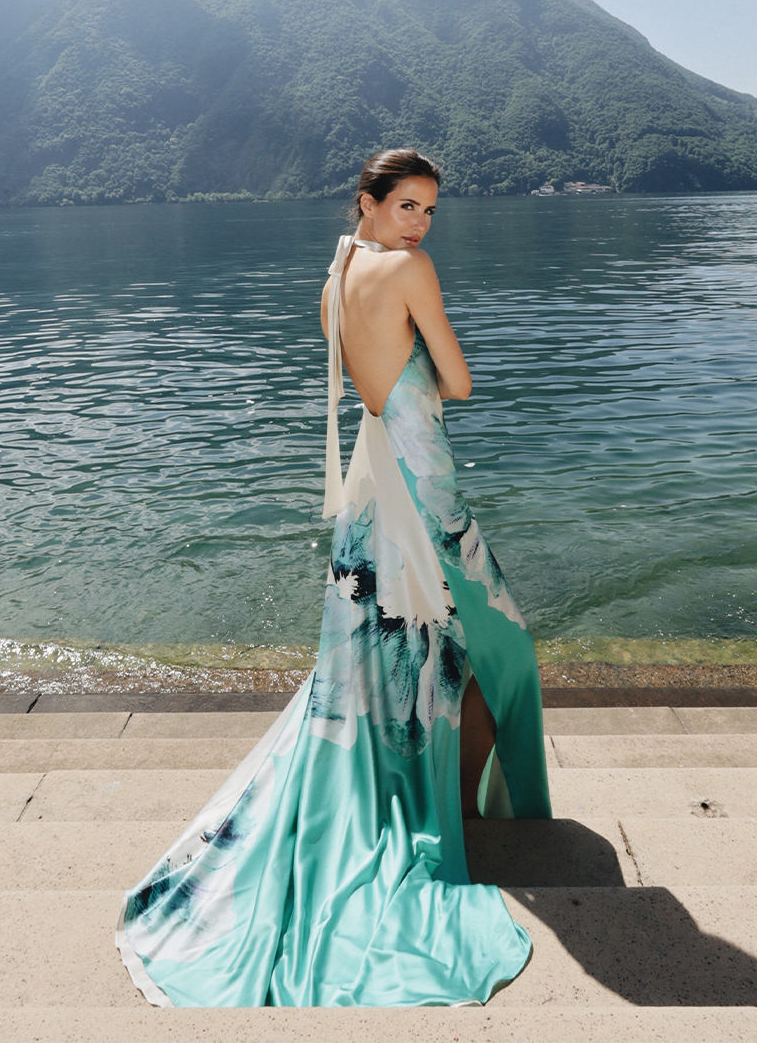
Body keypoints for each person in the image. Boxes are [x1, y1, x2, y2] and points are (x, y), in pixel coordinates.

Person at [116, 148, 551, 1007]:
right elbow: (457, 382)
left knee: (397, 658)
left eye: (429, 211)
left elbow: (361, 371)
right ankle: (445, 821)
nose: (420, 223)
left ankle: (439, 809)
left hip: (372, 482)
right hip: (422, 487)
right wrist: (430, 340)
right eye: (407, 206)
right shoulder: (405, 268)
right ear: (369, 201)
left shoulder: (338, 272)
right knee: (498, 648)